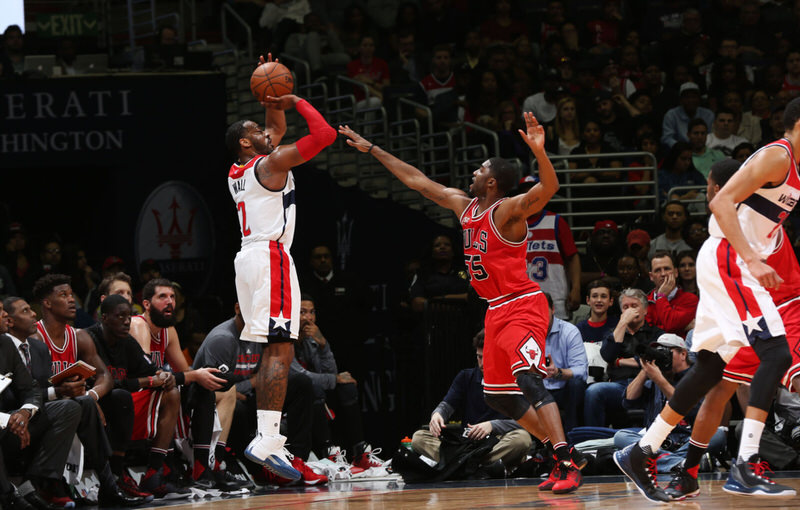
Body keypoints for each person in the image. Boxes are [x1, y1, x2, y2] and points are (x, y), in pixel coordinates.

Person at [338, 113, 585, 493]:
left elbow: (548, 188)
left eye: (480, 168)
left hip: (522, 304)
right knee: (496, 396)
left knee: (527, 379)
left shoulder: (507, 211)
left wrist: (540, 152)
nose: (472, 171)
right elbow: (417, 181)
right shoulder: (464, 207)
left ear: (491, 182)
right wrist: (373, 150)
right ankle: (554, 454)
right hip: (496, 311)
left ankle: (566, 459)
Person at [614, 100, 800, 501]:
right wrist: (750, 257)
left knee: (710, 370)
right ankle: (746, 464)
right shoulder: (777, 155)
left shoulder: (792, 168)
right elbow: (719, 203)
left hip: (729, 261)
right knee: (778, 355)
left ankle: (642, 450)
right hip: (731, 258)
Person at [225, 64, 337, 481]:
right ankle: (267, 438)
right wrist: (298, 101)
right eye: (259, 129)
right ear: (245, 142)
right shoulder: (269, 165)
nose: (269, 133)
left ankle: (268, 437)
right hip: (270, 257)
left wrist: (271, 101)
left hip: (249, 258)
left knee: (275, 348)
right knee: (281, 348)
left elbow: (275, 128)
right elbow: (324, 137)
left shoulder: (241, 171)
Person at [664, 160, 800, 500]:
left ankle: (697, 470)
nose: (710, 191)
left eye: (711, 185)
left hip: (774, 310)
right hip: (764, 313)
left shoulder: (752, 218)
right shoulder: (741, 223)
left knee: (721, 388)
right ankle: (695, 470)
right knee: (721, 388)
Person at [3, 296, 144, 506]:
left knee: (84, 403)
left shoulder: (38, 348)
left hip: (33, 413)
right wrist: (54, 394)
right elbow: (16, 394)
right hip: (7, 421)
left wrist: (80, 394)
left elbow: (32, 391)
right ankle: (46, 485)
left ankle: (108, 483)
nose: (33, 313)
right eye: (25, 311)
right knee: (69, 406)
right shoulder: (7, 346)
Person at [192, 303, 323, 486]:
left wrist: (254, 384)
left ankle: (297, 460)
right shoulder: (222, 338)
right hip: (214, 405)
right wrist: (253, 382)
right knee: (237, 409)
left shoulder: (262, 336)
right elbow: (214, 387)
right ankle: (254, 470)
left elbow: (278, 376)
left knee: (301, 384)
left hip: (250, 397)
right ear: (238, 308)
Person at [85, 294, 189, 498]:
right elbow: (102, 384)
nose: (126, 321)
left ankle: (154, 472)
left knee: (171, 391)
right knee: (119, 396)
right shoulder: (89, 339)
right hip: (97, 408)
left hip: (125, 409)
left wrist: (163, 375)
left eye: (129, 316)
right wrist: (146, 382)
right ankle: (117, 472)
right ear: (104, 317)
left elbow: (151, 371)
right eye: (120, 316)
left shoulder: (127, 341)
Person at [128, 278, 227, 491]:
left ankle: (204, 465)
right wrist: (194, 375)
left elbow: (183, 371)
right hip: (133, 393)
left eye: (172, 296)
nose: (170, 301)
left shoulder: (168, 330)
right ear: (146, 304)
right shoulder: (138, 324)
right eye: (162, 297)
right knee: (175, 390)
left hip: (158, 390)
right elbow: (148, 374)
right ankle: (161, 467)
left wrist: (206, 375)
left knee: (206, 389)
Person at [411, 330, 532, 473]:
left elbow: (527, 422)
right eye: (479, 357)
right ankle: (476, 465)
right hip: (467, 443)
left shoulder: (515, 379)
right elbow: (447, 405)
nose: (482, 363)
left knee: (522, 439)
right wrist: (437, 415)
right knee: (418, 438)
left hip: (497, 441)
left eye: (487, 357)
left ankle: (461, 464)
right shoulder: (466, 377)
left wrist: (492, 425)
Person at [0, 309, 81, 510]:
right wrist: (8, 420)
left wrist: (24, 413)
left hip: (10, 423)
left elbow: (31, 389)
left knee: (68, 408)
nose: (5, 315)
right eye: (0, 310)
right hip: (2, 421)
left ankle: (34, 485)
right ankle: (7, 495)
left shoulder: (5, 345)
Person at [293, 295, 384, 470]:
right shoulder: (284, 342)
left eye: (312, 312)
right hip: (292, 401)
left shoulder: (312, 340)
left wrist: (323, 344)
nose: (308, 318)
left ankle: (360, 452)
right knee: (312, 386)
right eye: (302, 312)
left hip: (315, 399)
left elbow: (330, 372)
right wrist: (334, 379)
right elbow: (300, 376)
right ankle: (329, 452)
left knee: (347, 386)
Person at [613, 333, 725, 473]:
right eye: (658, 351)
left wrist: (660, 380)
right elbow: (628, 402)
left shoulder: (697, 377)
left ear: (683, 354)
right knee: (621, 436)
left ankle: (657, 461)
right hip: (656, 442)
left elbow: (689, 409)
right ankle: (682, 463)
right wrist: (645, 370)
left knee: (717, 435)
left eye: (666, 351)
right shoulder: (653, 377)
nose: (661, 356)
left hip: (688, 439)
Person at [585, 289, 664, 428]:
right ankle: (594, 442)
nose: (629, 311)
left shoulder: (656, 334)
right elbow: (608, 356)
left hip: (648, 386)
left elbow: (652, 360)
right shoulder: (613, 332)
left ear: (645, 310)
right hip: (619, 385)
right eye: (625, 307)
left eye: (634, 306)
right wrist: (622, 324)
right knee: (594, 391)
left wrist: (618, 361)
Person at [519, 177, 581, 320]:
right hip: (523, 300)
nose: (530, 197)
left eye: (534, 193)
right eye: (525, 193)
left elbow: (572, 257)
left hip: (556, 298)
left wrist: (576, 288)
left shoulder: (556, 222)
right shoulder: (512, 226)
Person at [542, 294, 588, 433]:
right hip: (538, 389)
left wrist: (558, 373)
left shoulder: (569, 331)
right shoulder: (526, 333)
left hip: (563, 389)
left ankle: (571, 437)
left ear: (553, 309)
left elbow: (581, 370)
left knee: (576, 384)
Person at [645, 251, 699, 338]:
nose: (663, 274)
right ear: (651, 276)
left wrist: (661, 297)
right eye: (658, 270)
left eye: (667, 269)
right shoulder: (645, 302)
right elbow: (647, 335)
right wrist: (681, 328)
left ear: (676, 272)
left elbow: (670, 325)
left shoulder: (690, 299)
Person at [661, 82, 715, 149]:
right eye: (687, 97)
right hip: (679, 152)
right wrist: (682, 148)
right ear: (681, 100)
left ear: (699, 99)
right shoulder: (671, 115)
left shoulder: (708, 115)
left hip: (704, 150)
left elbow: (712, 137)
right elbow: (667, 138)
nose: (691, 100)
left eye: (694, 97)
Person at [576, 279, 619, 344]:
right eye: (594, 296)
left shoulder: (618, 326)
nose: (599, 300)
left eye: (603, 296)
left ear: (611, 301)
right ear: (588, 300)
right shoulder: (579, 329)